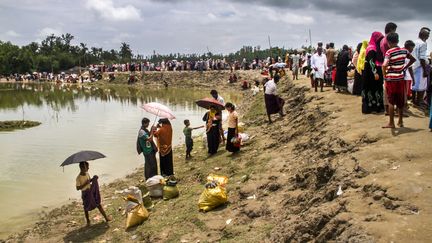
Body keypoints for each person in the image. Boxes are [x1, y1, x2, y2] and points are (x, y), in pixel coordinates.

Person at [382, 33, 416, 128]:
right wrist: (404, 67)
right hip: (400, 78)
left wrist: (385, 76)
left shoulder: (389, 52)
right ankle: (400, 121)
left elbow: (384, 65)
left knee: (391, 101)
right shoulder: (404, 51)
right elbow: (413, 59)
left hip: (391, 79)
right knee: (400, 101)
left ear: (388, 42)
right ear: (398, 40)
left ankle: (391, 123)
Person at [76, 161, 111, 226]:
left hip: (90, 191)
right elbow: (77, 188)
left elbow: (89, 181)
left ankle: (106, 217)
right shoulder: (78, 178)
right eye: (87, 167)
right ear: (82, 168)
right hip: (85, 193)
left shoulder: (87, 174)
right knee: (86, 207)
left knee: (98, 204)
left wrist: (94, 179)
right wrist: (86, 183)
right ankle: (88, 221)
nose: (88, 168)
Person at [362, 32, 385, 114]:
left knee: (377, 89)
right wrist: (375, 72)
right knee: (371, 89)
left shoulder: (377, 48)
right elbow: (371, 62)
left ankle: (378, 106)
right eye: (379, 39)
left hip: (376, 72)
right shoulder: (371, 49)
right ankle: (370, 108)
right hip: (370, 73)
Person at [380, 22, 398, 115]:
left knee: (386, 89)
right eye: (394, 30)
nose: (395, 32)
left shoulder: (382, 39)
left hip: (386, 64)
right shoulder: (389, 39)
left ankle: (387, 109)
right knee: (393, 90)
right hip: (392, 66)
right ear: (391, 29)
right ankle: (392, 110)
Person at [412, 27, 430, 107]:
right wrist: (425, 70)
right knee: (421, 86)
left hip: (413, 65)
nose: (428, 37)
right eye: (427, 35)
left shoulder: (414, 42)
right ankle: (419, 101)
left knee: (414, 85)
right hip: (420, 66)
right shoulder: (423, 44)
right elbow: (422, 58)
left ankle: (413, 101)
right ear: (423, 35)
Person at [404, 40, 416, 109]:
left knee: (403, 92)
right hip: (406, 77)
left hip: (402, 76)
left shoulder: (401, 52)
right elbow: (410, 68)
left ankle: (404, 105)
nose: (412, 50)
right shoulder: (408, 54)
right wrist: (413, 79)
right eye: (412, 48)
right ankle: (404, 106)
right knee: (405, 92)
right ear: (408, 47)